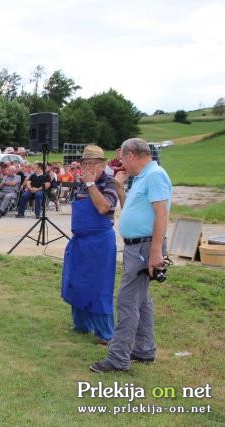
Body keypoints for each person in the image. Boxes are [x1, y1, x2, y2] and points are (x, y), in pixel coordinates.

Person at [91, 138, 172, 373]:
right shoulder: (141, 177)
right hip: (136, 246)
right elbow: (132, 210)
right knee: (142, 301)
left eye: (123, 159)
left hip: (145, 247)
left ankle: (118, 358)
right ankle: (144, 349)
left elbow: (161, 214)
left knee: (127, 301)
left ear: (132, 155)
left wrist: (156, 251)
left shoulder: (155, 175)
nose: (122, 164)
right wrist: (118, 187)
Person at [61, 145, 118, 346]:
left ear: (102, 164)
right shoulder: (81, 185)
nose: (88, 167)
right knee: (76, 281)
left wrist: (92, 184)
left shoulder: (108, 183)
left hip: (100, 242)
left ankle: (104, 332)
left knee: (99, 285)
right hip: (80, 241)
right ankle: (81, 325)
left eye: (92, 163)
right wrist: (86, 183)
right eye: (85, 163)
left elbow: (104, 207)